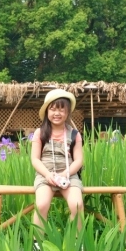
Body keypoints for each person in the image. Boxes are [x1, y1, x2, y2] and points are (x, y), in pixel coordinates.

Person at [31, 89, 84, 231]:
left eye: (61, 109)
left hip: (69, 175)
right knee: (41, 205)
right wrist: (48, 175)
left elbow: (78, 160)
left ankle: (76, 243)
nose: (57, 113)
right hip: (44, 175)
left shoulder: (74, 134)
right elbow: (35, 159)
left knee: (77, 205)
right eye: (53, 109)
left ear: (67, 113)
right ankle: (38, 246)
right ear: (47, 112)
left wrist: (65, 174)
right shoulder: (40, 133)